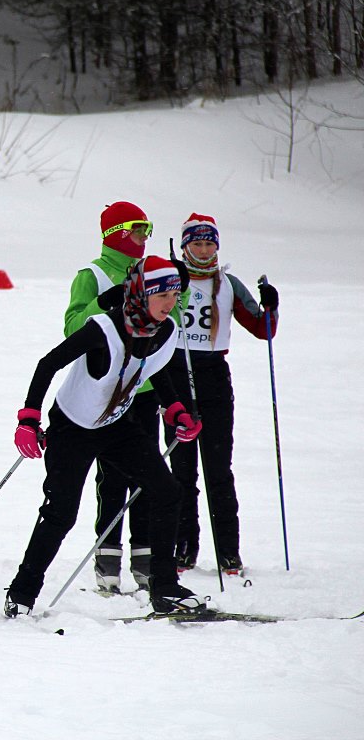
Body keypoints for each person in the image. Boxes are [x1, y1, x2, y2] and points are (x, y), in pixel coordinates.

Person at [6, 256, 205, 617]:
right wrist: (29, 418)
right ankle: (21, 592)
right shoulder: (105, 327)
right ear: (142, 294)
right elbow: (48, 363)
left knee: (167, 491)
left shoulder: (165, 330)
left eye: (176, 295)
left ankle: (164, 587)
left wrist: (175, 409)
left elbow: (158, 372)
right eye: (163, 295)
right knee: (61, 514)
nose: (170, 303)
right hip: (72, 429)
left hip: (115, 426)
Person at [170, 213, 279, 575]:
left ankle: (228, 552)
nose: (203, 250)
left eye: (209, 243)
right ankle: (183, 547)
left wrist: (271, 306)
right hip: (175, 376)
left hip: (214, 375)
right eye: (196, 243)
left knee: (218, 469)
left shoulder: (228, 283)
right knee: (181, 470)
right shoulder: (172, 279)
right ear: (184, 246)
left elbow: (263, 330)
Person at [64, 200, 163, 593]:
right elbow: (73, 328)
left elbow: (167, 318)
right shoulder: (92, 274)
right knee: (113, 476)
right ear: (118, 232)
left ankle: (146, 557)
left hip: (146, 387)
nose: (143, 238)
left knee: (148, 474)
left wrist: (180, 291)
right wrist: (103, 303)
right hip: (108, 391)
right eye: (139, 229)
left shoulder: (149, 272)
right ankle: (108, 557)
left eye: (146, 231)